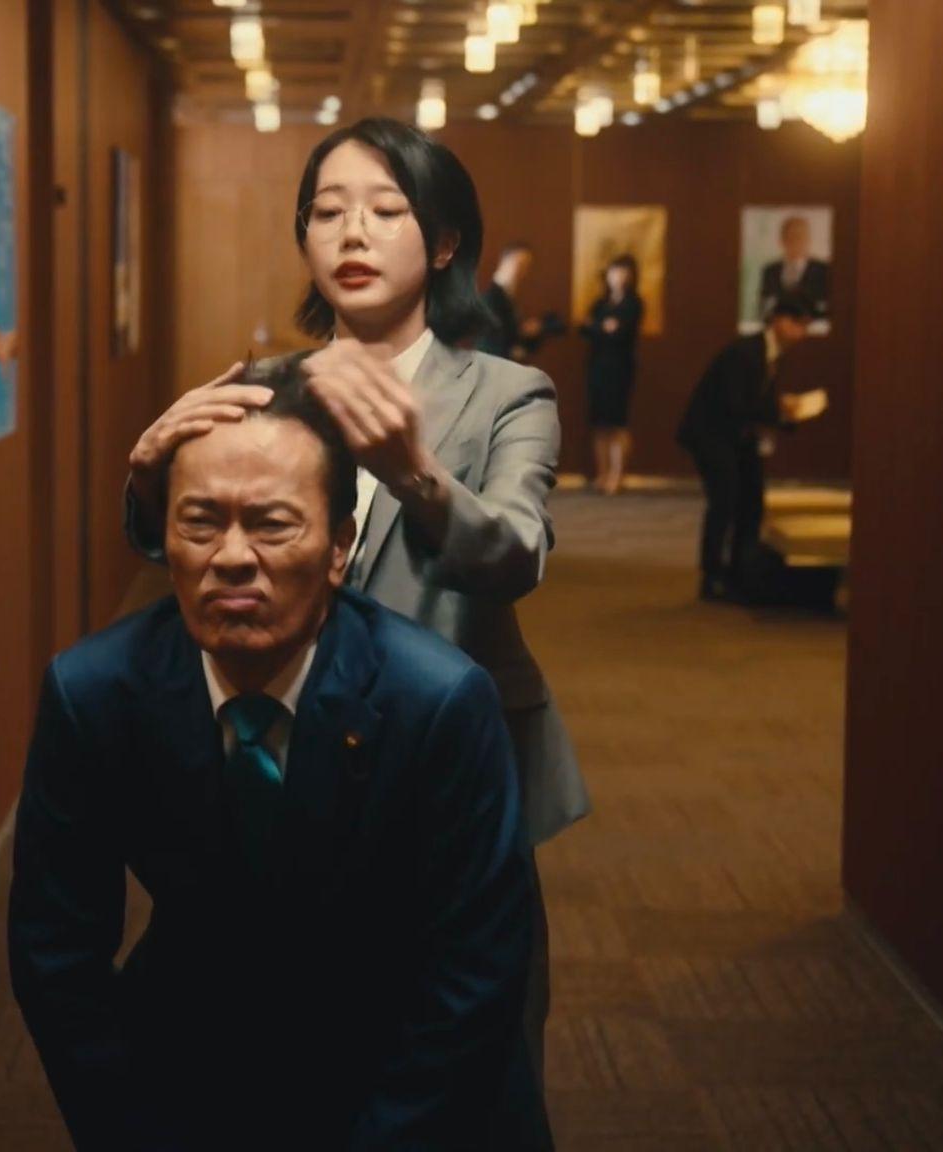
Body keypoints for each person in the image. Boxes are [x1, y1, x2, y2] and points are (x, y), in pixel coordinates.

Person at [120, 116, 588, 1130]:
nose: (353, 233)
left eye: (384, 210)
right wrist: (148, 479)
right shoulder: (264, 387)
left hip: (454, 760)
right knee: (288, 1040)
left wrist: (415, 473)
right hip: (292, 750)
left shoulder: (508, 393)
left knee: (480, 1040)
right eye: (326, 213)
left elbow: (515, 554)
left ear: (445, 241)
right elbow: (198, 549)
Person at [10, 367, 544, 1151]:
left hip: (401, 1066)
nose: (232, 557)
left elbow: (476, 973)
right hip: (193, 1053)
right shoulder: (94, 693)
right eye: (200, 522)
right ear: (163, 538)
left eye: (271, 525)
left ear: (339, 549)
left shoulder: (437, 702)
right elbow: (55, 956)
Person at [676, 292, 827, 601]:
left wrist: (782, 412)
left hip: (737, 437)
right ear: (779, 321)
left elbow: (755, 401)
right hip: (712, 434)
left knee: (751, 501)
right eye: (798, 324)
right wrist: (781, 412)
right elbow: (736, 403)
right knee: (725, 501)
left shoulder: (769, 353)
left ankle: (739, 571)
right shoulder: (745, 352)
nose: (802, 333)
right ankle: (712, 575)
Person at [577, 254, 644, 495]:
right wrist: (602, 327)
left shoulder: (633, 303)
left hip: (620, 368)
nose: (619, 277)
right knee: (599, 424)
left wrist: (599, 327)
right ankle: (603, 473)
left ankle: (617, 475)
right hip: (597, 367)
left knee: (617, 424)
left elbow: (619, 333)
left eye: (624, 272)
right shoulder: (601, 303)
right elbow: (585, 328)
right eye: (615, 271)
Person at [757, 214, 832, 323]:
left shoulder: (823, 270)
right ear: (782, 240)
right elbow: (763, 309)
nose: (796, 242)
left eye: (800, 237)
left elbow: (827, 309)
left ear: (808, 240)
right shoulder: (770, 271)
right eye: (791, 237)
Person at [478, 241, 545, 363]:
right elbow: (490, 342)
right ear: (505, 261)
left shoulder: (508, 296)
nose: (523, 270)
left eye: (526, 266)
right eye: (519, 263)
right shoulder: (490, 296)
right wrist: (516, 350)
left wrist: (525, 331)